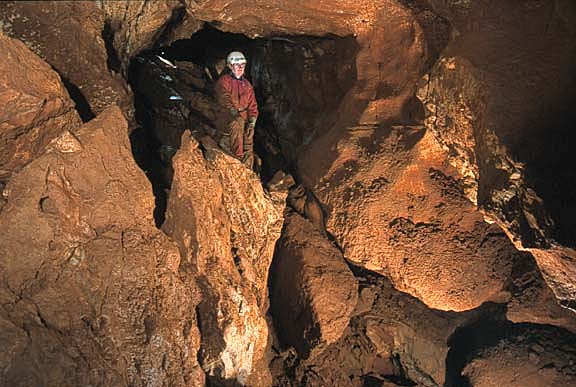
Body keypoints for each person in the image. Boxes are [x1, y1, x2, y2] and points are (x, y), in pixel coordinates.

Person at [214, 51, 258, 168]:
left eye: (242, 65)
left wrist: (252, 123)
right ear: (230, 66)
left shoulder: (247, 85)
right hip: (226, 116)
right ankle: (238, 158)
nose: (239, 68)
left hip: (242, 117)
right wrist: (233, 111)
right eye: (236, 65)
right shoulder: (223, 81)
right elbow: (224, 98)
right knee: (237, 123)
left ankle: (249, 171)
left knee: (248, 136)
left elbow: (252, 106)